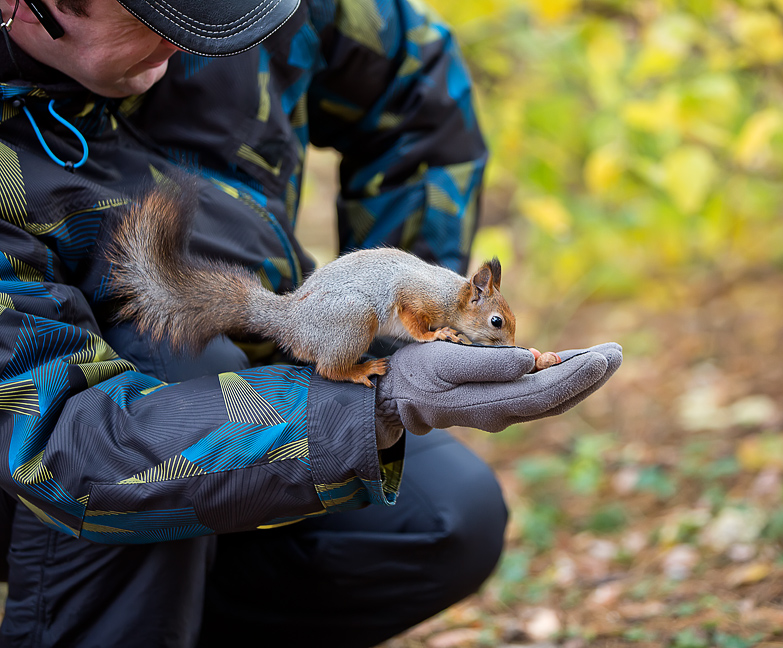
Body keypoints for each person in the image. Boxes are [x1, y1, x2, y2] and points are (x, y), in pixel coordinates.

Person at [0, 0, 622, 646]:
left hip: (267, 364)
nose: (194, 45)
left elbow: (415, 76)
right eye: (161, 21)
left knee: (445, 516)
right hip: (60, 447)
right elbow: (59, 440)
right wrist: (365, 410)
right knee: (177, 367)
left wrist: (405, 331)